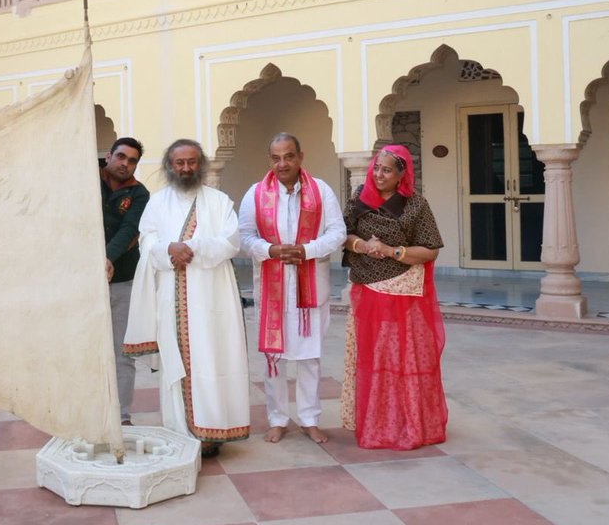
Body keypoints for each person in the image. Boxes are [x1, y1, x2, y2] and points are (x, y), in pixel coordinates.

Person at [123, 139, 250, 457]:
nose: (186, 168)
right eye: (179, 163)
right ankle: (179, 432)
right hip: (172, 297)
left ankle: (211, 432)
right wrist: (168, 249)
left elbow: (231, 240)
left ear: (201, 164)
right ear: (169, 165)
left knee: (213, 357)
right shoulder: (157, 202)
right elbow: (147, 239)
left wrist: (191, 249)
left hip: (212, 298)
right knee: (174, 363)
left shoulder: (220, 202)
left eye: (191, 162)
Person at [239, 133, 346, 444]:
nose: (282, 163)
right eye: (275, 158)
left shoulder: (321, 190)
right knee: (274, 356)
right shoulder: (256, 193)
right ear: (269, 159)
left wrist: (307, 250)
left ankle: (310, 419)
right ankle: (277, 418)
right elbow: (244, 235)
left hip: (310, 284)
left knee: (309, 356)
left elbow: (338, 231)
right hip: (272, 288)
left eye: (288, 156)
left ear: (301, 156)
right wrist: (269, 250)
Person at [340, 145, 447, 450]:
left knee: (403, 357)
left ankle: (409, 422)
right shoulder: (361, 197)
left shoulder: (415, 205)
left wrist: (391, 251)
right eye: (376, 168)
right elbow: (343, 233)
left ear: (402, 175)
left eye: (386, 170)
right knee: (374, 357)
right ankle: (376, 421)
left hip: (403, 293)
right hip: (368, 292)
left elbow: (431, 248)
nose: (379, 175)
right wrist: (363, 246)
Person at [101, 137, 150, 426]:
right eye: (121, 156)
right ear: (109, 155)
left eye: (132, 161)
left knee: (122, 352)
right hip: (81, 280)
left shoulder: (140, 194)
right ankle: (89, 412)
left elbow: (130, 229)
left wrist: (105, 259)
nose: (125, 164)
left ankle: (121, 417)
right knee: (84, 349)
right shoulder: (86, 177)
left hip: (122, 281)